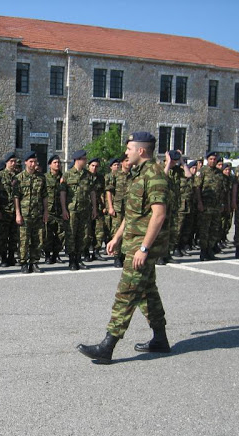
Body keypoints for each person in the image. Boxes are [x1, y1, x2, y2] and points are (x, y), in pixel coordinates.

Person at [78, 132, 170, 365]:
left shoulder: (155, 175)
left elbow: (159, 215)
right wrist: (117, 237)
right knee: (148, 293)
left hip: (141, 247)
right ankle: (160, 338)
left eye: (129, 148)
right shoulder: (138, 175)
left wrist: (144, 248)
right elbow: (133, 213)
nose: (125, 152)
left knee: (126, 293)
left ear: (141, 151)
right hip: (133, 243)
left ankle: (107, 346)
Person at [60, 150, 97, 270]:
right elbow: (63, 193)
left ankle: (79, 258)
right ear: (78, 160)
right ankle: (72, 260)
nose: (86, 161)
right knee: (71, 235)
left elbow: (92, 193)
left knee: (84, 235)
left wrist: (94, 208)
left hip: (85, 209)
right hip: (72, 210)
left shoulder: (88, 175)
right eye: (84, 159)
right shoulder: (67, 175)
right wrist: (64, 209)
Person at [14, 151, 49, 273]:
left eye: (35, 162)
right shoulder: (19, 178)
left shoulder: (41, 177)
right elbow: (16, 197)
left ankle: (34, 262)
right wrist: (18, 213)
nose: (33, 164)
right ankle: (23, 263)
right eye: (31, 162)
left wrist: (46, 212)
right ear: (25, 163)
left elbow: (44, 196)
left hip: (38, 213)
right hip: (24, 214)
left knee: (38, 239)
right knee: (24, 240)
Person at [193, 151, 224, 261]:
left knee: (214, 229)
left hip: (216, 206)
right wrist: (200, 203)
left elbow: (222, 190)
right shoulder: (202, 172)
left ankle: (210, 250)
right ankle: (203, 252)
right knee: (204, 230)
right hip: (205, 206)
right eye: (211, 159)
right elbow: (197, 188)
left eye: (215, 159)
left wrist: (222, 204)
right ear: (207, 160)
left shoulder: (219, 173)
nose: (213, 161)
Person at [106, 155, 130, 268]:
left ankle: (125, 255)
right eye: (126, 161)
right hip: (118, 208)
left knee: (128, 232)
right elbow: (109, 191)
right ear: (121, 163)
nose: (128, 163)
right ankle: (117, 256)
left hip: (130, 208)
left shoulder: (133, 175)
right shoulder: (115, 175)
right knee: (116, 231)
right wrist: (110, 207)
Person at [0, 152, 19, 266]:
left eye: (14, 161)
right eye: (11, 161)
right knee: (3, 236)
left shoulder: (18, 176)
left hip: (15, 211)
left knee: (14, 236)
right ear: (6, 162)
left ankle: (11, 256)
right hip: (4, 210)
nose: (13, 163)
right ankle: (3, 257)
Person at [43, 155, 64, 264]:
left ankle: (56, 255)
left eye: (59, 162)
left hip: (59, 210)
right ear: (50, 164)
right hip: (49, 210)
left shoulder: (63, 178)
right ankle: (47, 255)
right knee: (48, 234)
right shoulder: (45, 178)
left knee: (60, 234)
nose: (57, 164)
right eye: (55, 162)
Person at [86, 157, 108, 262]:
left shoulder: (100, 178)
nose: (94, 168)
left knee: (99, 231)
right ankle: (85, 252)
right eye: (92, 166)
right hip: (86, 207)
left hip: (98, 208)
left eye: (96, 166)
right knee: (87, 231)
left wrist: (104, 206)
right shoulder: (84, 176)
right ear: (88, 166)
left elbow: (103, 193)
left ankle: (96, 251)